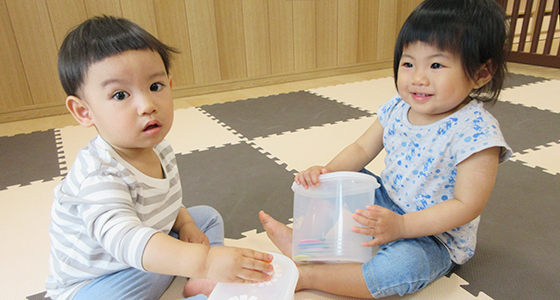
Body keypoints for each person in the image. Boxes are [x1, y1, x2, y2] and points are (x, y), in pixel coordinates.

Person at [259, 0, 512, 297]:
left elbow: (466, 206)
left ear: (481, 73)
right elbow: (360, 149)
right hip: (385, 200)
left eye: (436, 65)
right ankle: (310, 246)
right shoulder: (397, 107)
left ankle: (310, 276)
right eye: (408, 63)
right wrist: (324, 174)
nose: (418, 78)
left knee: (401, 268)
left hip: (432, 237)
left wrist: (402, 226)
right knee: (339, 180)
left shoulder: (476, 131)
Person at [46, 16, 273, 300]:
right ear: (83, 111)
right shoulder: (98, 175)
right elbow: (125, 238)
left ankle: (200, 283)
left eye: (155, 87)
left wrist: (186, 225)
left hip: (145, 252)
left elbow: (164, 203)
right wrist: (206, 261)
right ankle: (197, 273)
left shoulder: (160, 148)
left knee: (207, 219)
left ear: (170, 84)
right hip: (98, 280)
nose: (147, 106)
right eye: (120, 95)